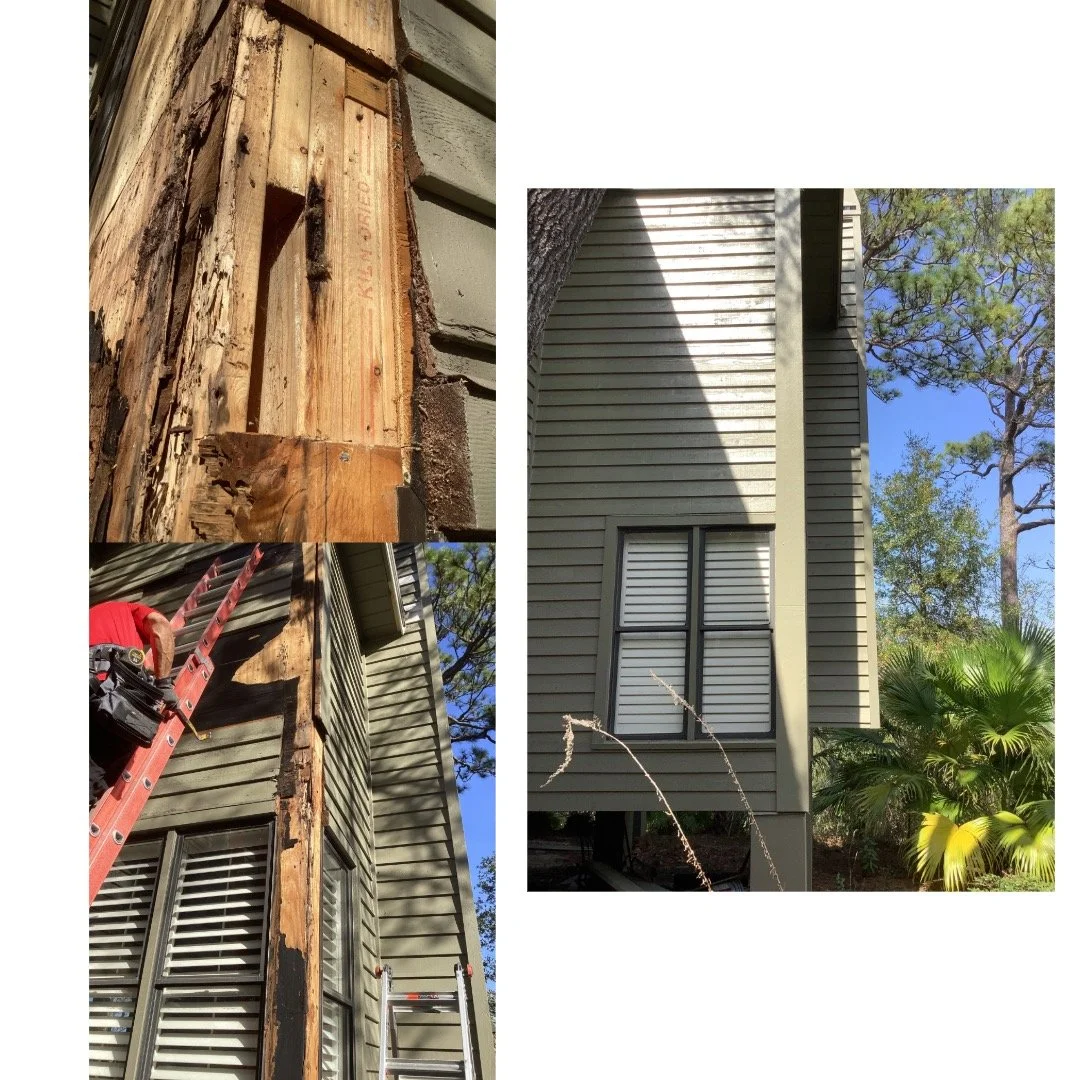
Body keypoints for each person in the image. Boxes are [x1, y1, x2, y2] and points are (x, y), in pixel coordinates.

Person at [89, 601, 180, 808]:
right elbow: (159, 626)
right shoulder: (127, 611)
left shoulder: (94, 617)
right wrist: (163, 683)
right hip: (109, 701)